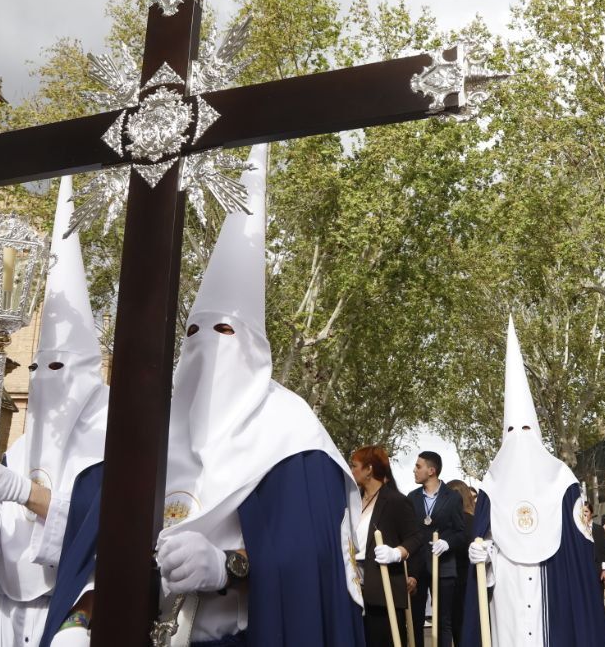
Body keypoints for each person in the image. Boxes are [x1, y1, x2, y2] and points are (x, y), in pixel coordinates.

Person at [154, 145, 365, 646]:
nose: (207, 348)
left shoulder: (291, 432)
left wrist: (228, 567)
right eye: (193, 333)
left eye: (224, 331)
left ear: (253, 346)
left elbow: (313, 563)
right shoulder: (157, 428)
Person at [0, 175, 110, 647]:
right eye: (37, 366)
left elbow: (106, 535)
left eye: (58, 366)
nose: (44, 377)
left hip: (65, 619)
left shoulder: (109, 450)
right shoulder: (16, 449)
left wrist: (26, 493)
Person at [461, 317, 605, 647]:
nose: (520, 440)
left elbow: (579, 546)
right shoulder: (492, 482)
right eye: (513, 432)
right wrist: (481, 553)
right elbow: (484, 536)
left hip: (552, 581)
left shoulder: (561, 479)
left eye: (526, 430)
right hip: (507, 587)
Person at [352, 446, 424, 647]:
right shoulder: (353, 501)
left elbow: (415, 537)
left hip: (382, 590)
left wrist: (397, 553)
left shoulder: (395, 501)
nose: (352, 471)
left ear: (369, 469)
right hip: (354, 588)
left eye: (354, 466)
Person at [407, 450, 464, 647]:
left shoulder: (453, 498)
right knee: (415, 620)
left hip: (444, 567)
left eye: (418, 466)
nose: (414, 470)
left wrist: (447, 543)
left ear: (431, 470)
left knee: (443, 621)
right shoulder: (411, 497)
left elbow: (460, 532)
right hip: (417, 568)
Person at [445, 479, 475, 646]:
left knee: (456, 626)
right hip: (472, 581)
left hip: (455, 579)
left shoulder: (453, 522)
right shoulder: (476, 520)